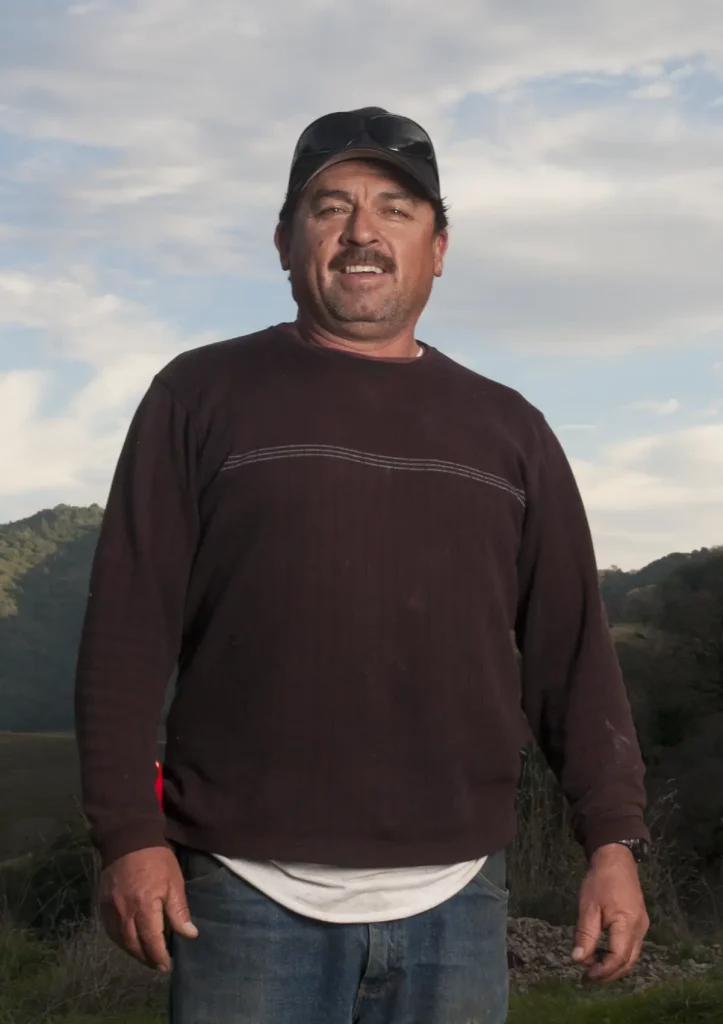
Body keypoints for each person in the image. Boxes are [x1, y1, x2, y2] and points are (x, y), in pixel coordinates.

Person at [75, 106, 651, 1024]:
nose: (361, 234)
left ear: (438, 246)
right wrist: (126, 835)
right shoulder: (197, 396)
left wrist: (612, 841)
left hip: (459, 902)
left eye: (394, 208)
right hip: (241, 898)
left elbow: (571, 656)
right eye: (329, 207)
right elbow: (124, 634)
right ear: (283, 239)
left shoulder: (510, 430)